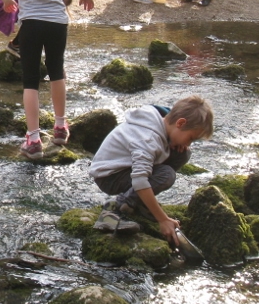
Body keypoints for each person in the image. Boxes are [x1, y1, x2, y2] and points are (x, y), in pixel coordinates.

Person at [0, 0, 94, 160]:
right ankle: (60, 128)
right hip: (57, 23)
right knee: (57, 71)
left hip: (31, 24)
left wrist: (7, 0)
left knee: (31, 81)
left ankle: (34, 138)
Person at [89, 96, 214, 244]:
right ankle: (115, 210)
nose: (189, 143)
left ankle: (136, 201)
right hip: (110, 175)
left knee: (183, 153)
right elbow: (140, 180)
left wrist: (173, 140)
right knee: (166, 175)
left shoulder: (163, 118)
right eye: (191, 138)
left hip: (125, 166)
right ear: (180, 123)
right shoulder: (148, 139)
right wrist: (162, 219)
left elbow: (172, 116)